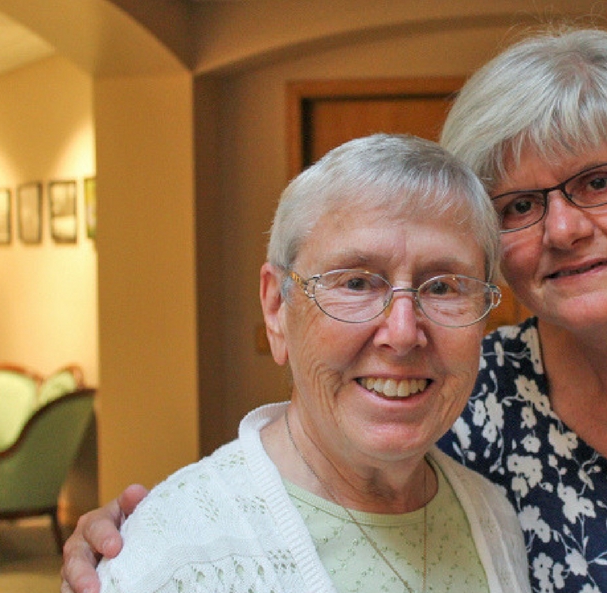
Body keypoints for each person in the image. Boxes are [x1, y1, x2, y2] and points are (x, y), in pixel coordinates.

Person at [63, 27, 607, 593]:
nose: (564, 228)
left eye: (599, 181)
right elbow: (313, 471)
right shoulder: (476, 394)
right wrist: (143, 541)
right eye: (520, 205)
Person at [87, 133, 531, 593]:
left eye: (442, 287)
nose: (402, 334)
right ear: (276, 308)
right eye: (356, 283)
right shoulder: (174, 557)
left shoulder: (492, 517)